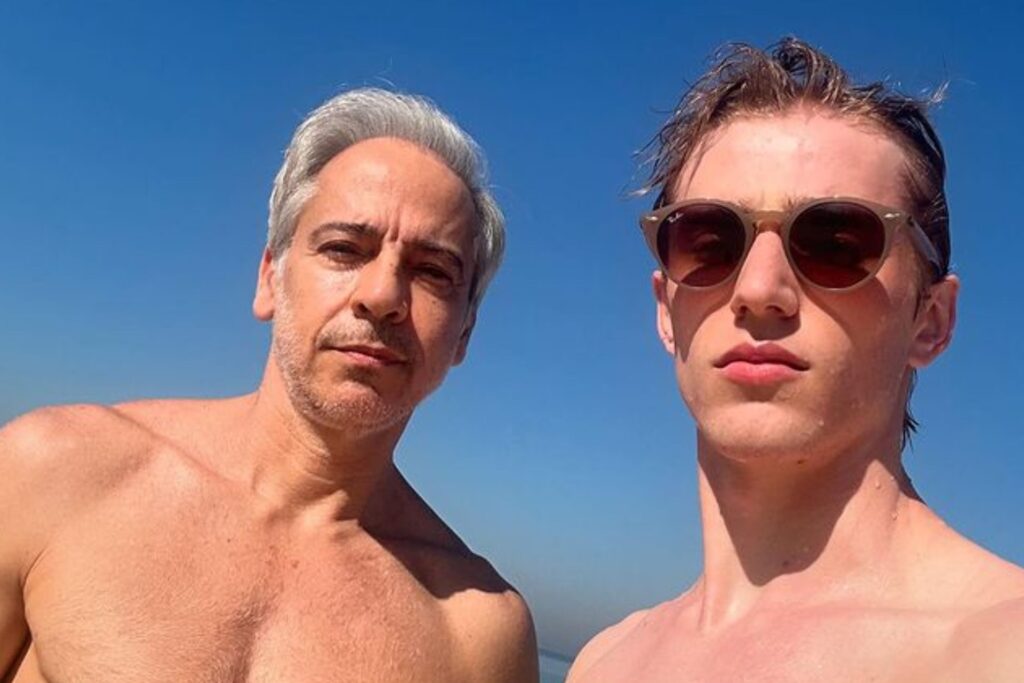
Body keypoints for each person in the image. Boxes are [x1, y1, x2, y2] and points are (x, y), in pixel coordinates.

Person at [0, 88, 538, 683]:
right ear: (270, 280)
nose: (382, 295)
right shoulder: (57, 470)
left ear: (464, 334)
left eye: (433, 271)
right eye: (343, 249)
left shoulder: (478, 634)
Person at [569, 39, 1024, 682]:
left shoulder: (998, 651)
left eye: (835, 243)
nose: (759, 289)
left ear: (931, 321)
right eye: (709, 241)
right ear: (666, 308)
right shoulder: (605, 662)